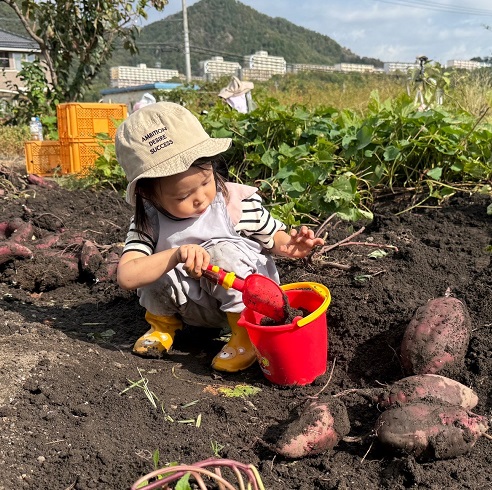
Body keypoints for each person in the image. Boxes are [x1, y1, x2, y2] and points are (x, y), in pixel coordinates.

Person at [115, 102, 324, 372]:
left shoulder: (235, 205)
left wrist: (291, 246)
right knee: (154, 265)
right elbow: (127, 276)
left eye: (205, 182)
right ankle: (162, 327)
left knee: (223, 251)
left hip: (244, 302)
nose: (201, 198)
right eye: (183, 196)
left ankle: (244, 337)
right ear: (149, 195)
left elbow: (274, 236)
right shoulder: (148, 221)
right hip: (189, 309)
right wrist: (174, 255)